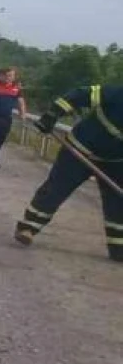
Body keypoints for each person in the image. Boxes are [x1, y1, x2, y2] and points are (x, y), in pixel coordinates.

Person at [15, 84, 123, 263]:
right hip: (80, 150)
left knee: (118, 202)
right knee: (57, 188)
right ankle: (28, 228)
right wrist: (53, 114)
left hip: (116, 160)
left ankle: (118, 247)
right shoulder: (117, 93)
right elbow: (80, 94)